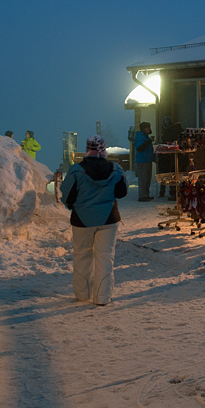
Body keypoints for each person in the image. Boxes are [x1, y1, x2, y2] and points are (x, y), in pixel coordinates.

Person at [61, 135, 128, 306]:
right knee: (105, 257)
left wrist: (76, 207)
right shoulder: (115, 169)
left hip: (82, 220)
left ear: (87, 149)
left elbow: (67, 196)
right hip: (108, 219)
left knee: (82, 255)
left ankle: (82, 295)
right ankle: (102, 297)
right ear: (103, 149)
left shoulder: (76, 170)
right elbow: (122, 192)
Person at [157, 117, 184, 200]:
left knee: (169, 174)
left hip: (169, 156)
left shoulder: (168, 132)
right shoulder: (178, 130)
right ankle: (176, 191)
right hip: (179, 156)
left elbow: (166, 142)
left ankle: (172, 192)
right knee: (176, 173)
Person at [133, 122, 155, 202]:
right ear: (143, 129)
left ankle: (146, 194)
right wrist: (149, 141)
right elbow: (140, 148)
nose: (148, 129)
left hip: (147, 160)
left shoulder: (145, 137)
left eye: (148, 128)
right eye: (146, 128)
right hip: (142, 160)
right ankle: (142, 195)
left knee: (147, 178)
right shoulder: (140, 137)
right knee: (143, 178)